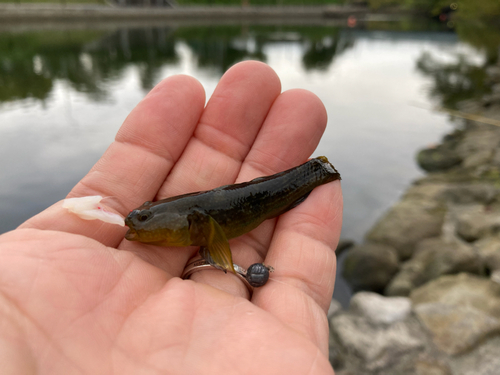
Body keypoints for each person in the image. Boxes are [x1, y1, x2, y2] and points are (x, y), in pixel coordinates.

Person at [0, 61, 342, 374]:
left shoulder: (198, 222)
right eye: (144, 216)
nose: (137, 223)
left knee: (305, 175)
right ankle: (317, 172)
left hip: (260, 198)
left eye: (147, 218)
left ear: (193, 224)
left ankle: (317, 172)